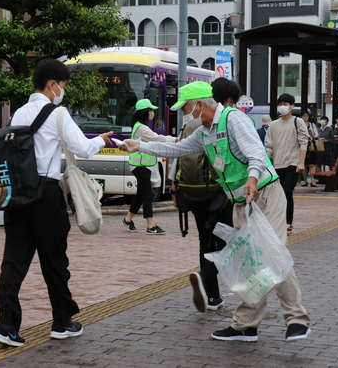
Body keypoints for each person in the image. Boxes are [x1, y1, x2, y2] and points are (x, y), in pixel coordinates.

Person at [118, 81, 311, 342]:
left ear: (199, 105)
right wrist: (140, 146)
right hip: (241, 202)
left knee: (272, 255)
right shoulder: (205, 131)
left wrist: (252, 180)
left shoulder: (233, 120)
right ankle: (246, 325)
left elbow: (255, 153)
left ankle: (296, 320)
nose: (185, 115)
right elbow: (179, 148)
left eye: (185, 108)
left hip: (265, 194)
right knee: (250, 263)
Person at [0, 58, 113, 347]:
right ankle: (62, 321)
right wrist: (101, 140)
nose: (63, 91)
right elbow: (82, 147)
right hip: (45, 193)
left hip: (17, 194)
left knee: (14, 260)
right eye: (64, 85)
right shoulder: (58, 114)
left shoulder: (19, 113)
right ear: (52, 85)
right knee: (54, 260)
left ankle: (6, 324)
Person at [176, 78, 236, 313]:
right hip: (219, 193)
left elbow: (178, 157)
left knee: (205, 239)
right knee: (227, 240)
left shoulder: (189, 125)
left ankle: (213, 297)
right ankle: (205, 276)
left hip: (192, 192)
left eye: (185, 106)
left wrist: (174, 187)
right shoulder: (215, 124)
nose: (186, 111)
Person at [123, 99, 174, 234]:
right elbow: (157, 139)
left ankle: (128, 219)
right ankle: (150, 226)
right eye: (150, 110)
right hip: (140, 165)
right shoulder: (141, 128)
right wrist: (174, 139)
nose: (152, 113)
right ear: (145, 112)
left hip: (141, 165)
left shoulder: (140, 126)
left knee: (141, 194)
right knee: (147, 194)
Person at [265, 94, 308, 235]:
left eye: (286, 104)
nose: (283, 106)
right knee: (278, 195)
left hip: (293, 163)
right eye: (281, 104)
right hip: (278, 165)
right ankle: (280, 221)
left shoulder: (298, 122)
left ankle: (288, 222)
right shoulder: (273, 125)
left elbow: (303, 142)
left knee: (287, 191)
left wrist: (301, 162)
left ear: (292, 106)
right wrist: (264, 163)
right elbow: (269, 146)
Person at [299, 111, 319, 187]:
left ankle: (313, 180)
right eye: (304, 116)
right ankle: (305, 181)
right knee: (303, 164)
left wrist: (311, 134)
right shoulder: (299, 125)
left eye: (306, 116)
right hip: (302, 145)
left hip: (311, 146)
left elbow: (317, 135)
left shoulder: (312, 125)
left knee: (311, 165)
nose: (305, 117)